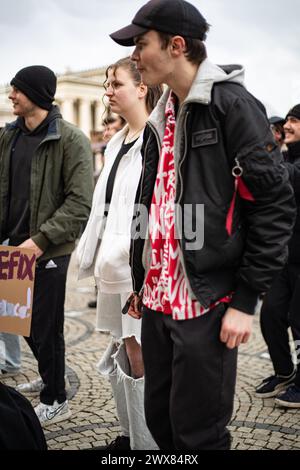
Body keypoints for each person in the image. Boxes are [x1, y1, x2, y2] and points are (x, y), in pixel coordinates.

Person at [110, 0, 295, 450]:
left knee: (199, 434)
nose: (135, 55)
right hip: (156, 300)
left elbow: (274, 204)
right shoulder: (161, 113)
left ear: (176, 46)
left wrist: (245, 300)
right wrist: (142, 275)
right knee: (162, 422)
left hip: (207, 301)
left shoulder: (230, 104)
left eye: (141, 43)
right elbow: (152, 202)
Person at [0, 65, 93, 426]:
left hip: (49, 250)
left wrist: (37, 243)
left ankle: (55, 397)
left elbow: (79, 203)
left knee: (45, 326)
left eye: (17, 91)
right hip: (12, 248)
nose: (11, 96)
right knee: (19, 324)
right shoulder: (9, 136)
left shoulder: (71, 139)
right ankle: (50, 371)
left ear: (36, 94)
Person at [77, 57, 162, 450]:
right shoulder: (116, 142)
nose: (107, 91)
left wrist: (144, 276)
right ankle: (130, 435)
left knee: (140, 350)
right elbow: (106, 208)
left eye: (116, 84)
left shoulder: (153, 140)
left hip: (136, 271)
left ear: (142, 88)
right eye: (106, 84)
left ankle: (147, 445)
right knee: (122, 348)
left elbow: (152, 210)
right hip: (112, 266)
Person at [256, 104, 300, 407]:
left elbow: (290, 177)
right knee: (270, 314)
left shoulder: (288, 163)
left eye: (295, 120)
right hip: (284, 257)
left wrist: (266, 147)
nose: (288, 124)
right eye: (287, 119)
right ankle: (284, 372)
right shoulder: (285, 156)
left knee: (299, 320)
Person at [87, 114, 125, 309]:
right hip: (103, 218)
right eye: (106, 129)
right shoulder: (106, 152)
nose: (107, 133)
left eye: (111, 129)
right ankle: (100, 295)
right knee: (99, 261)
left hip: (119, 222)